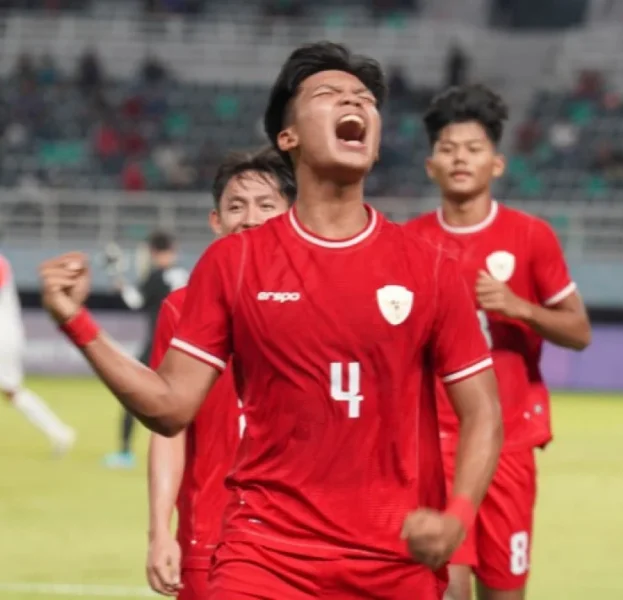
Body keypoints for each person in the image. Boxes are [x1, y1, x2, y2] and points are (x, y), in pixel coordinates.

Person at [38, 41, 502, 600]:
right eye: (328, 94)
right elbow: (170, 407)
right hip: (265, 559)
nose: (353, 102)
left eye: (364, 98)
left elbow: (483, 412)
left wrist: (457, 516)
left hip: (392, 563)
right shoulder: (234, 264)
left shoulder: (429, 268)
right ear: (289, 137)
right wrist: (76, 322)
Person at [405, 83, 591, 600]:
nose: (460, 158)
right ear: (431, 166)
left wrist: (519, 307)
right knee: (446, 585)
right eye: (448, 149)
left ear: (497, 164)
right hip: (436, 443)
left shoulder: (531, 236)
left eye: (473, 148)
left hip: (508, 445)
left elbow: (579, 330)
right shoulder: (409, 243)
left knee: (504, 592)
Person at [145, 147, 295, 600]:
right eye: (236, 206)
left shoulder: (327, 302)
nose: (250, 219)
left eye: (266, 205)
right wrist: (159, 530)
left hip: (304, 540)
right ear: (216, 221)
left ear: (293, 215)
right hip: (212, 538)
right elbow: (169, 428)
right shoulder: (182, 309)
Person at [104, 230, 188, 469]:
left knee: (132, 394)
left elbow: (135, 301)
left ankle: (124, 453)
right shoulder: (186, 274)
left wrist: (118, 280)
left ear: (152, 252)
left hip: (158, 344)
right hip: (187, 347)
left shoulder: (156, 275)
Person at [0, 253, 75, 455]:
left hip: (3, 337)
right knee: (12, 393)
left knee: (13, 392)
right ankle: (60, 433)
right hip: (8, 334)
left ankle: (61, 433)